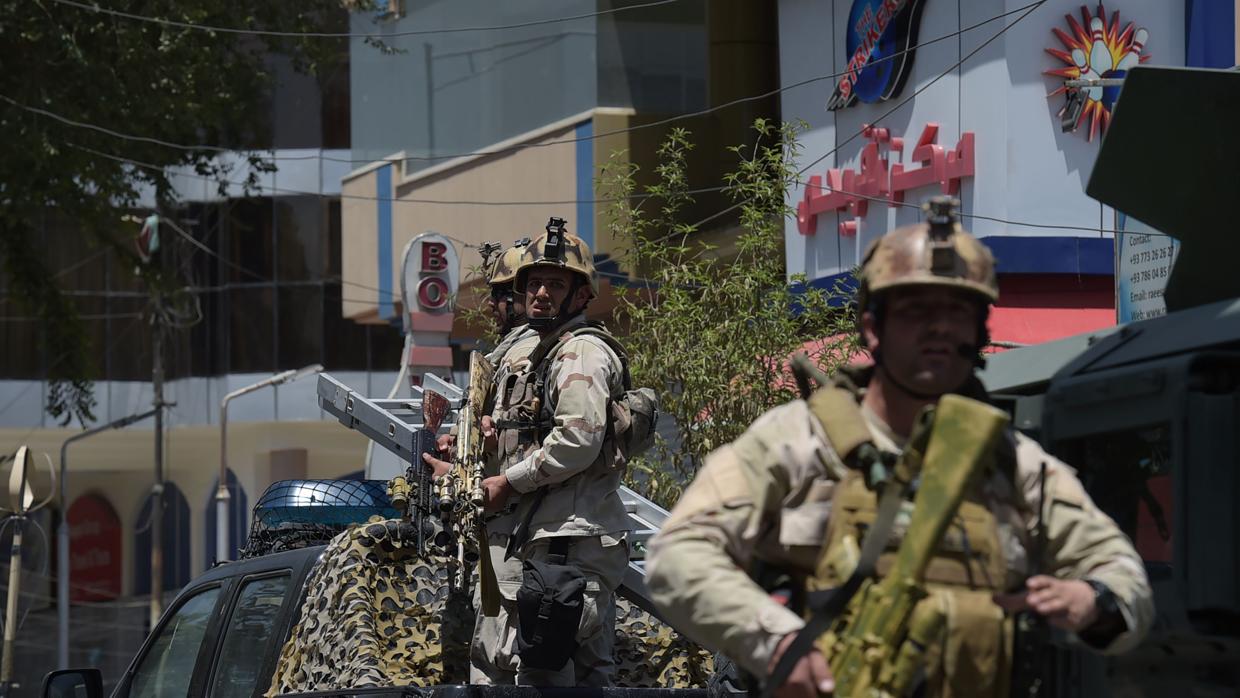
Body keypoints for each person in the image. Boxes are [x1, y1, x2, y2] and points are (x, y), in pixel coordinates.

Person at [644, 198, 1154, 698]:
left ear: (980, 331)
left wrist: (1093, 600)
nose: (939, 327)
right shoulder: (798, 440)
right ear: (873, 328)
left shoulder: (1013, 461)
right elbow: (677, 556)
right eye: (915, 310)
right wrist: (777, 642)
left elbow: (1122, 574)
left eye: (958, 312)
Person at [426, 218, 632, 687]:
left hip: (567, 540)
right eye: (533, 283)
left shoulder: (580, 352)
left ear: (581, 295)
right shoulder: (541, 350)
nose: (539, 293)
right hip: (547, 538)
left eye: (555, 284)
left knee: (541, 673)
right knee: (533, 668)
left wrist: (508, 481)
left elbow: (578, 439)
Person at [481, 238, 535, 365]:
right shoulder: (510, 349)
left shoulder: (530, 352)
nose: (490, 303)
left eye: (498, 293)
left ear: (524, 293)